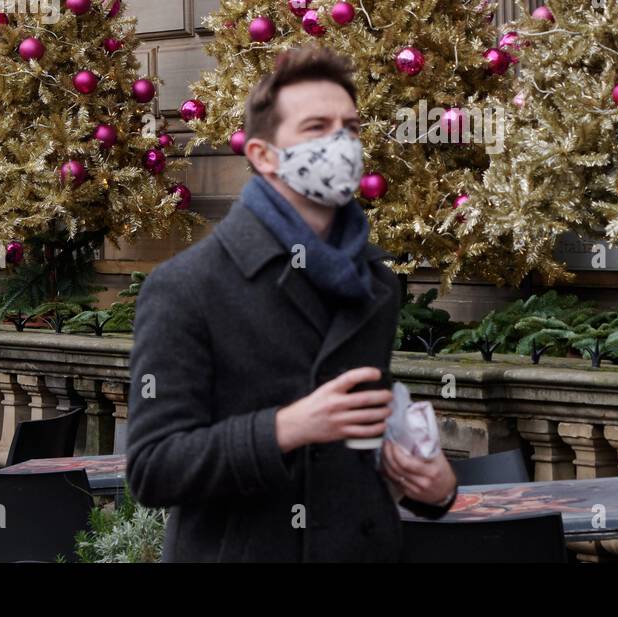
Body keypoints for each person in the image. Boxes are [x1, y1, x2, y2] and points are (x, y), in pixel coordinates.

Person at [127, 47, 458, 561]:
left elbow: (361, 451)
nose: (340, 143)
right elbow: (152, 468)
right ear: (263, 155)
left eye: (349, 127)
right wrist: (288, 427)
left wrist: (433, 487)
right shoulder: (187, 286)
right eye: (317, 127)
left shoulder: (376, 282)